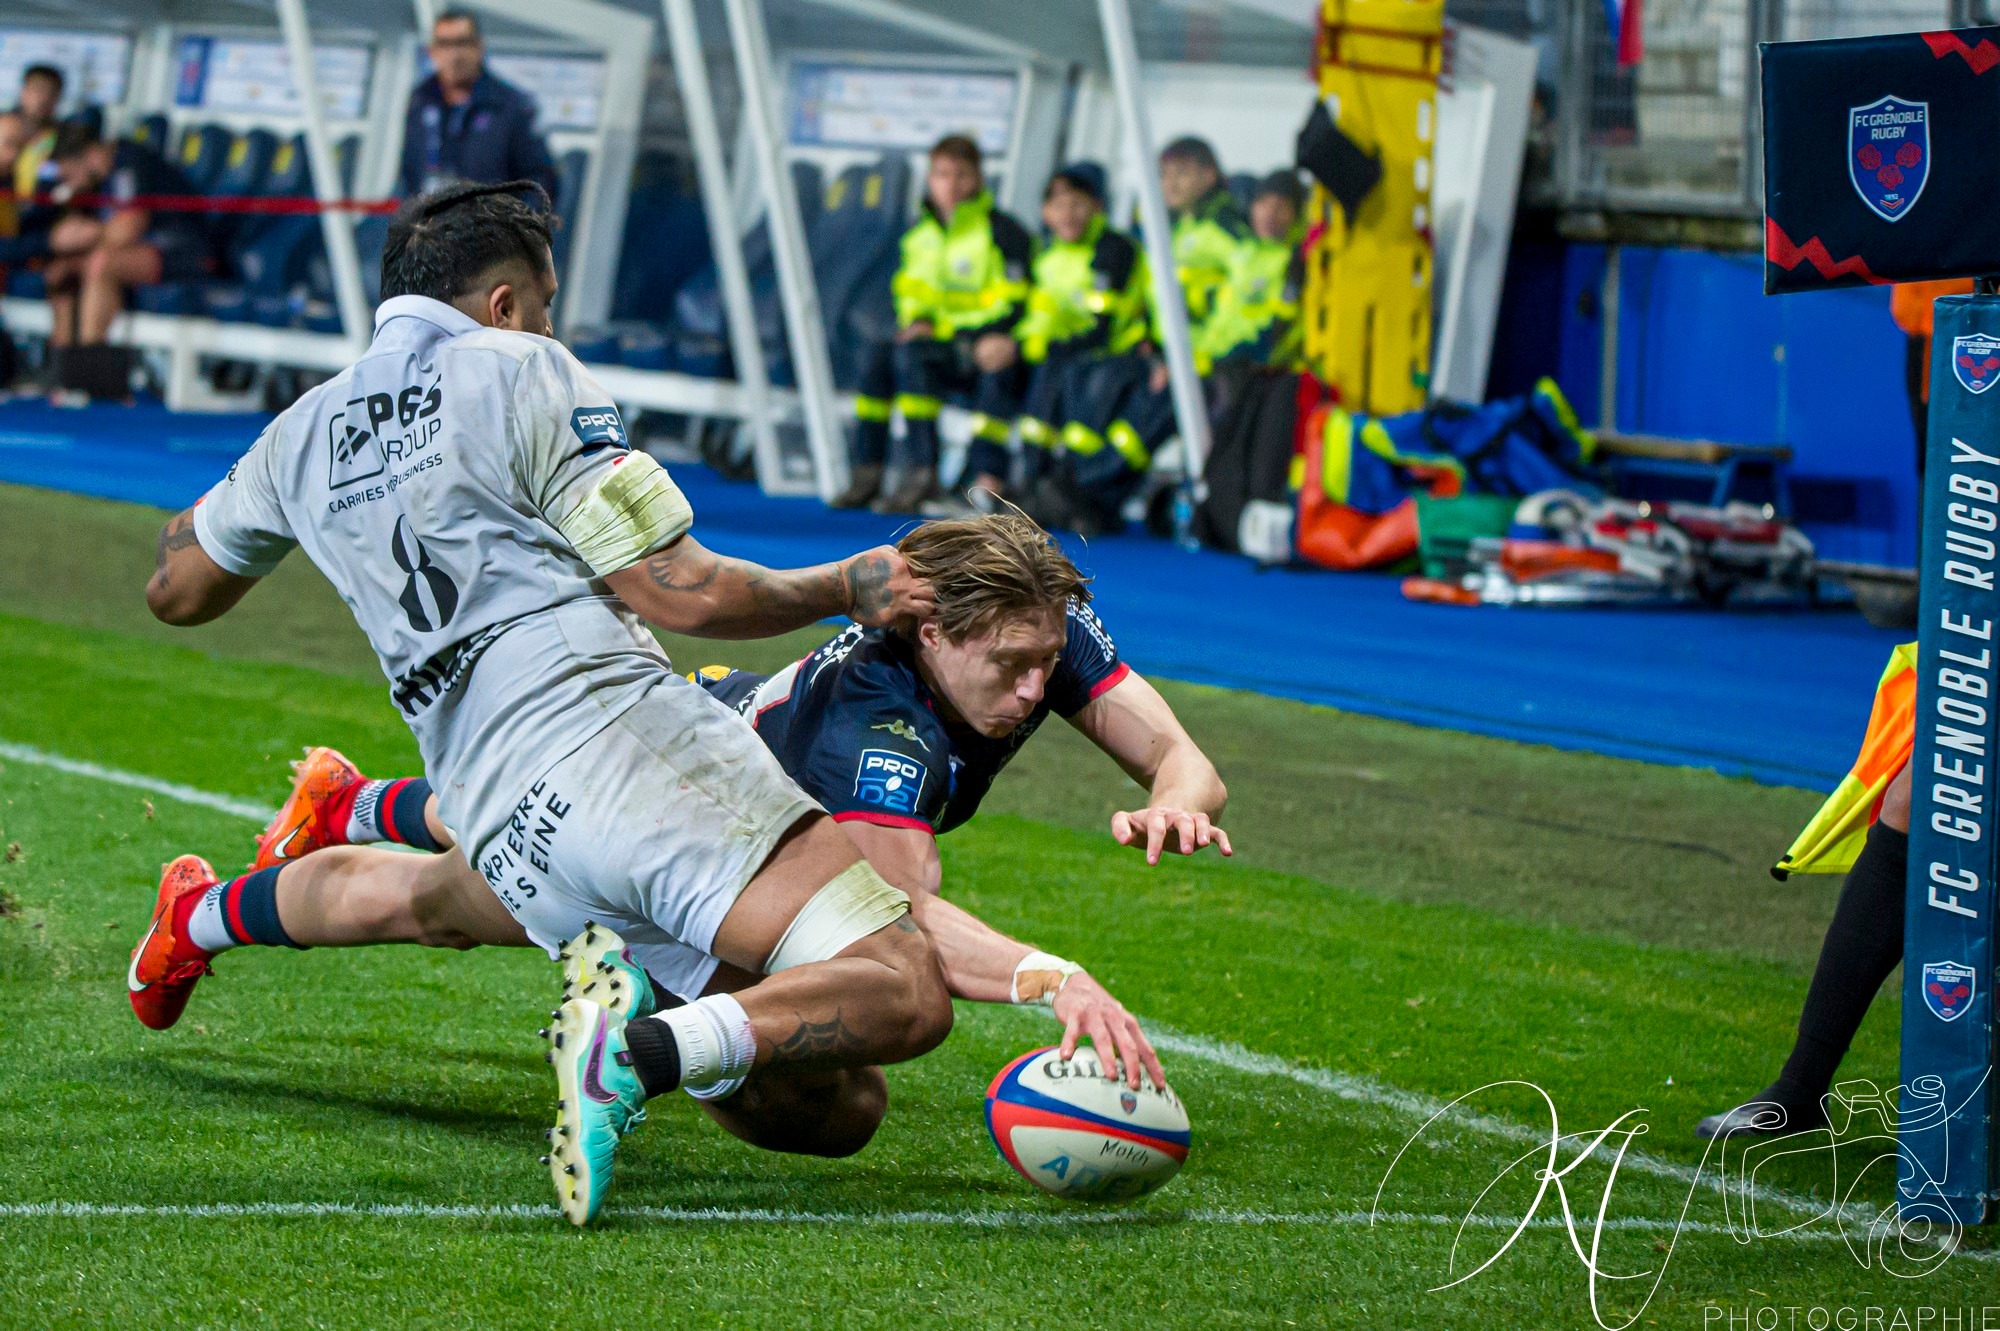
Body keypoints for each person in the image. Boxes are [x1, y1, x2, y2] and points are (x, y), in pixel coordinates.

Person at [132, 179, 950, 1227]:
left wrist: (249, 498)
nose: (551, 324)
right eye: (548, 303)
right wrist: (846, 586)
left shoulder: (301, 432)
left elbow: (176, 590)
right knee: (905, 985)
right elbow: (675, 588)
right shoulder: (522, 365)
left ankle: (199, 916)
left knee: (834, 1105)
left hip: (503, 825)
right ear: (508, 302)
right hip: (620, 752)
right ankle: (636, 1046)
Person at [175, 515, 1230, 1153]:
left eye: (1049, 660)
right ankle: (660, 1023)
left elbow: (1185, 760)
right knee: (847, 1094)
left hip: (691, 748)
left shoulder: (1032, 618)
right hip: (685, 841)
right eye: (1012, 666)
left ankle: (262, 870)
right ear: (929, 631)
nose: (1040, 686)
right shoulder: (880, 739)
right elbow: (897, 919)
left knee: (448, 891)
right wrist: (1051, 976)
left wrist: (1177, 794)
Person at [833, 134, 1033, 514]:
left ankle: (922, 472)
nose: (951, 185)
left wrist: (975, 337)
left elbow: (1018, 300)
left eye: (961, 175)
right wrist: (918, 320)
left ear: (978, 178)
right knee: (877, 355)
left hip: (978, 347)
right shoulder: (917, 234)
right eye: (942, 174)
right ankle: (868, 472)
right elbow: (909, 292)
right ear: (930, 178)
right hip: (933, 344)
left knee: (913, 356)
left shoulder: (1004, 232)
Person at [1008, 165, 1148, 499]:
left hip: (1113, 354)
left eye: (1078, 204)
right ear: (1045, 212)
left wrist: (1046, 347)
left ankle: (1058, 484)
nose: (1068, 214)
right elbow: (1036, 315)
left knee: (1060, 377)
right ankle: (1012, 481)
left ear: (1097, 206)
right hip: (1054, 352)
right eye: (1059, 206)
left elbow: (1101, 327)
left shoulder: (1114, 249)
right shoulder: (1046, 255)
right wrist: (1022, 345)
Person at [42, 122, 213, 350]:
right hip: (144, 253)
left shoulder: (129, 162)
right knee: (61, 271)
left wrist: (87, 234)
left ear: (92, 154)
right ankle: (62, 366)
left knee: (101, 263)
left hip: (186, 253)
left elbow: (130, 226)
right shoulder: (99, 181)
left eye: (72, 173)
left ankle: (86, 367)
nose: (70, 182)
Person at [399, 10, 558, 203]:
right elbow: (408, 173)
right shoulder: (419, 101)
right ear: (432, 51)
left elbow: (542, 182)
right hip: (431, 225)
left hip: (490, 227)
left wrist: (513, 228)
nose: (454, 55)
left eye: (462, 43)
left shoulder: (512, 106)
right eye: (444, 45)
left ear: (478, 47)